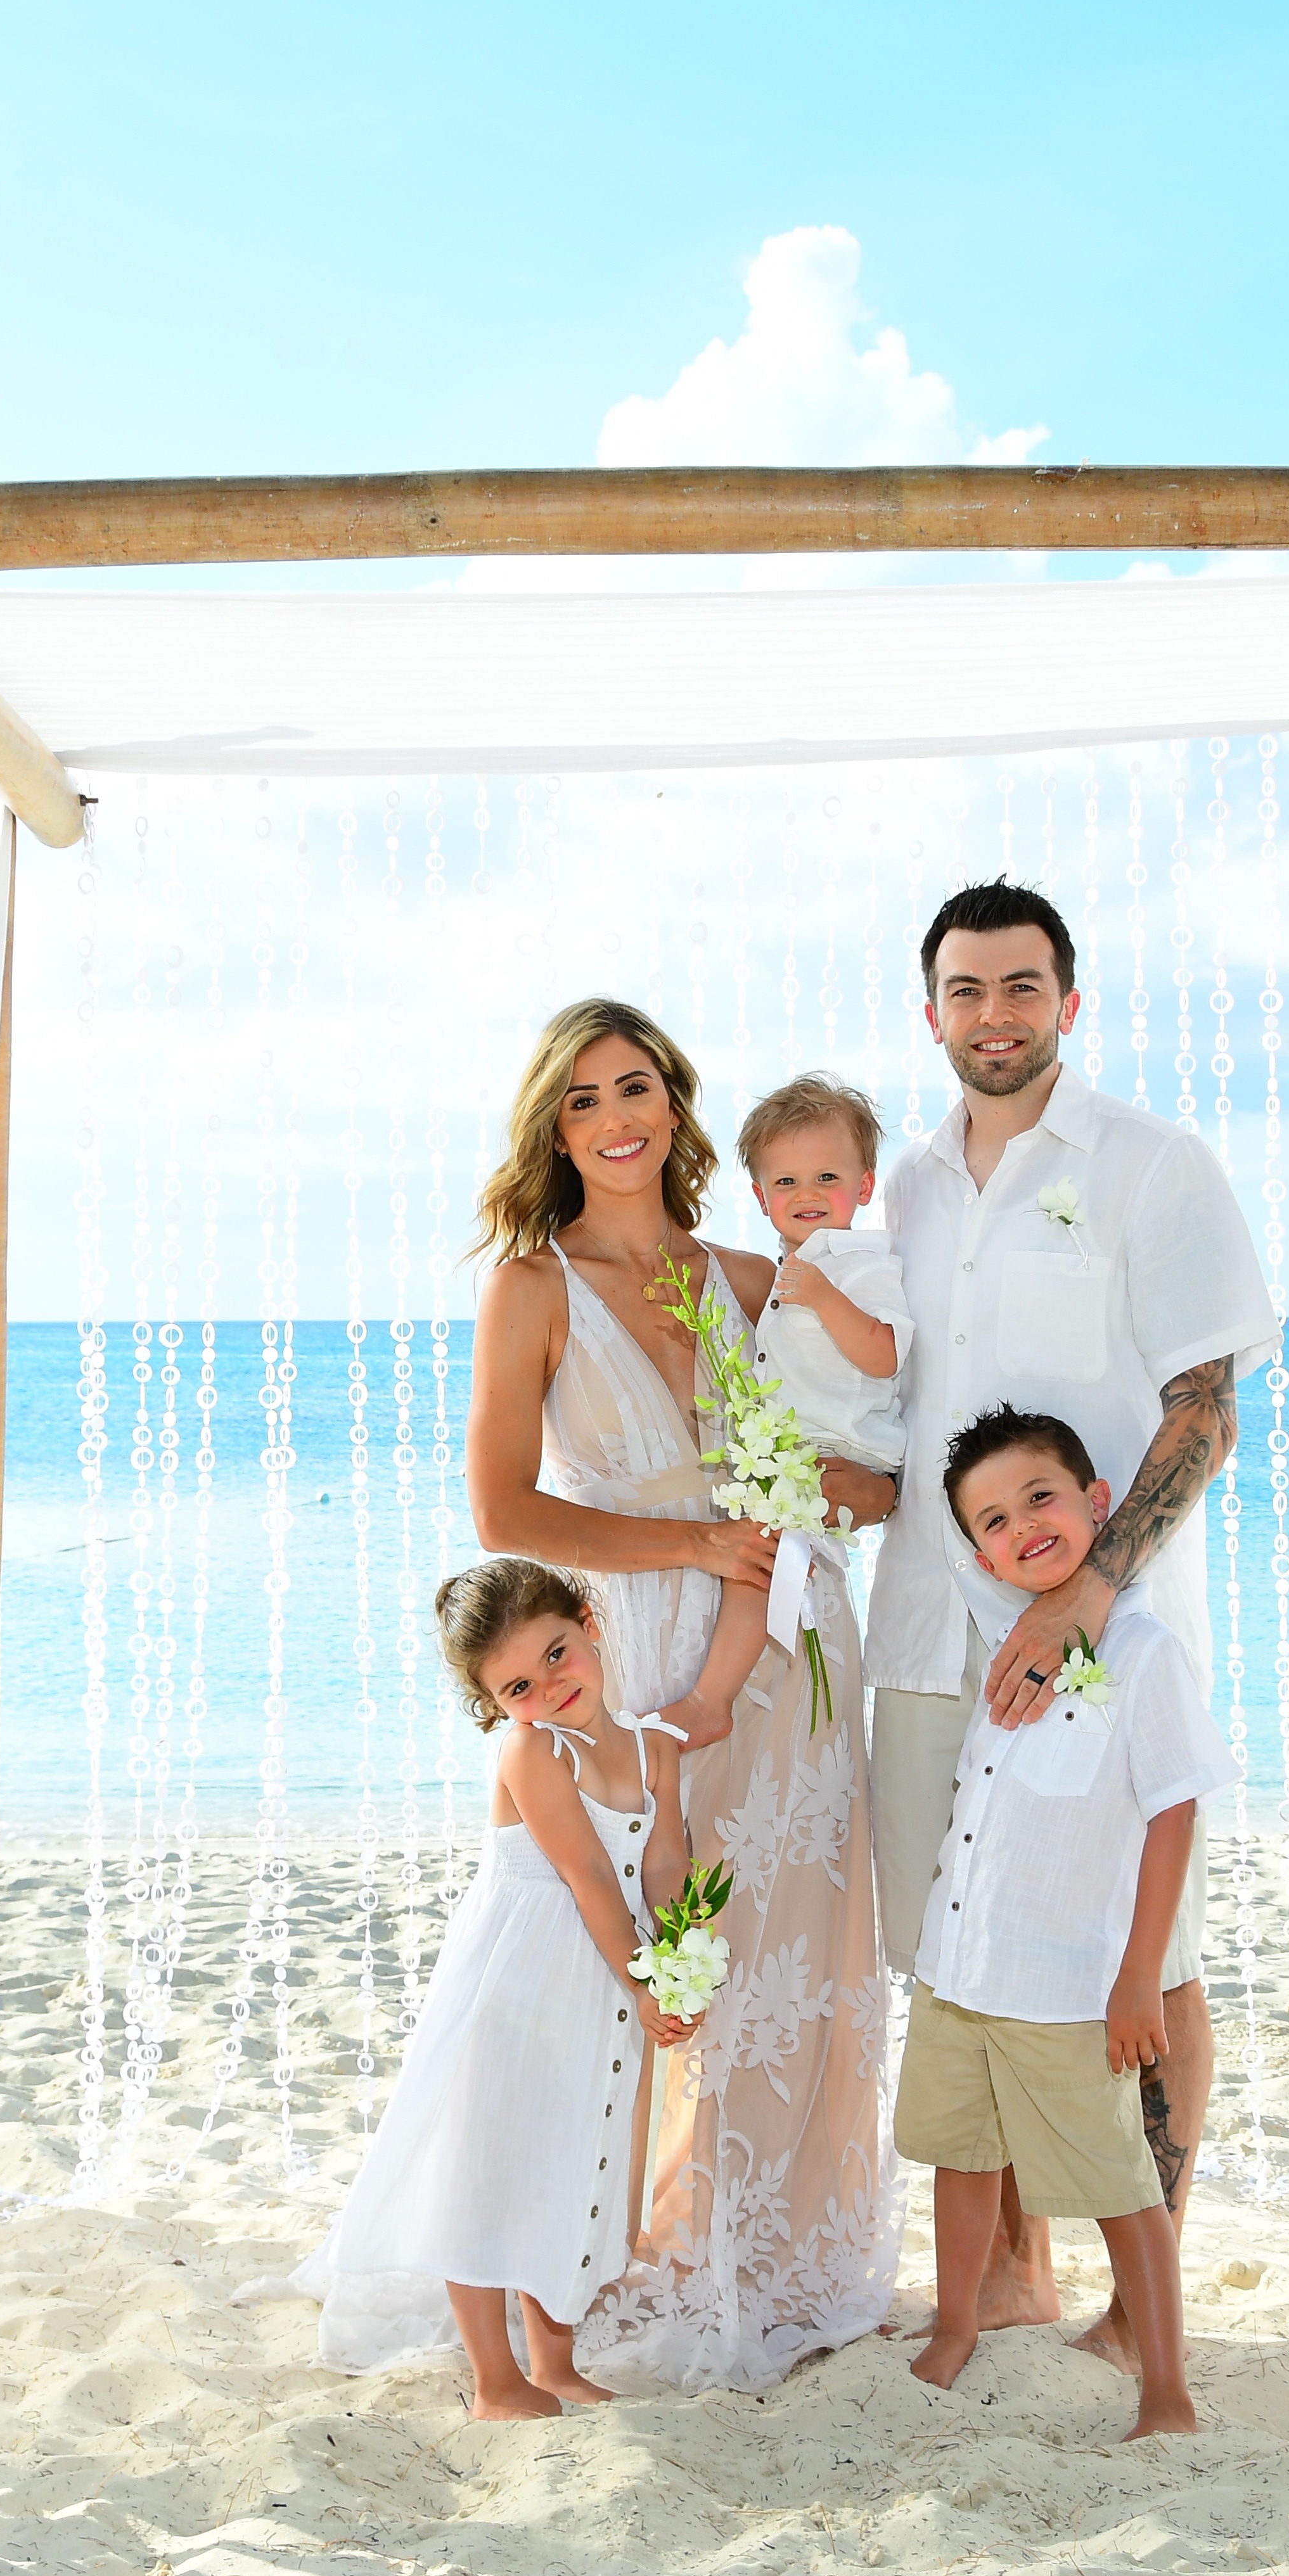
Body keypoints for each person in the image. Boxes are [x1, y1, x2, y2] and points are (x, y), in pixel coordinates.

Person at [463, 998, 906, 2390]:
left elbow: (883, 1469)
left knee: (796, 1953)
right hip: (640, 1642)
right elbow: (499, 1506)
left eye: (635, 1087)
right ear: (552, 1126)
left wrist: (798, 1497)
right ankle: (608, 2261)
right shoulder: (530, 1285)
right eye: (583, 1099)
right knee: (654, 1964)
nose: (614, 1120)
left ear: (675, 1102)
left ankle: (778, 2253)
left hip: (791, 1637)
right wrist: (694, 1540)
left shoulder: (754, 1278)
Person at [865, 875, 1276, 2350]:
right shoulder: (900, 1186)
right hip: (926, 1629)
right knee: (961, 1943)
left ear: (1069, 1000)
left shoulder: (1153, 1165)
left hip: (1099, 1631)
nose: (995, 1014)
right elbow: (880, 1407)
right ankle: (1013, 2269)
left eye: (1022, 985)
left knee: (1140, 1952)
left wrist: (1088, 1599)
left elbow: (1204, 1410)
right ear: (932, 1014)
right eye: (967, 990)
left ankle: (1134, 2290)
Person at [278, 1560, 702, 2411]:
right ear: (495, 1705)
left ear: (588, 1622)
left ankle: (554, 2361)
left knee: (569, 2157)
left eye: (556, 1654)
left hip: (599, 1976)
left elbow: (663, 1859)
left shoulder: (655, 1746)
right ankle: (494, 2378)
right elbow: (586, 1876)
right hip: (519, 1978)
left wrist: (683, 1961)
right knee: (486, 2167)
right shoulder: (533, 1751)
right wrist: (644, 1980)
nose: (549, 1686)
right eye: (519, 1684)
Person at [895, 1408, 1236, 2440]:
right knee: (963, 2154)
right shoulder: (1004, 1645)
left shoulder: (1142, 1653)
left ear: (1096, 1502)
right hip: (959, 1972)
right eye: (991, 1520)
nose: (1021, 1526)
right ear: (979, 1550)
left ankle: (1163, 2383)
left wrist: (1140, 1978)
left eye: (1039, 1496)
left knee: (1121, 2184)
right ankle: (956, 2323)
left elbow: (1173, 1811)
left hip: (1062, 1986)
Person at [738, 1074, 911, 1478]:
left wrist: (825, 1298)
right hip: (795, 1451)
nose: (807, 1193)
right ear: (762, 1198)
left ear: (865, 1186)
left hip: (844, 1447)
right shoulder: (783, 1269)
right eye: (786, 1182)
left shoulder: (865, 1262)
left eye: (827, 1177)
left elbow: (886, 1357)